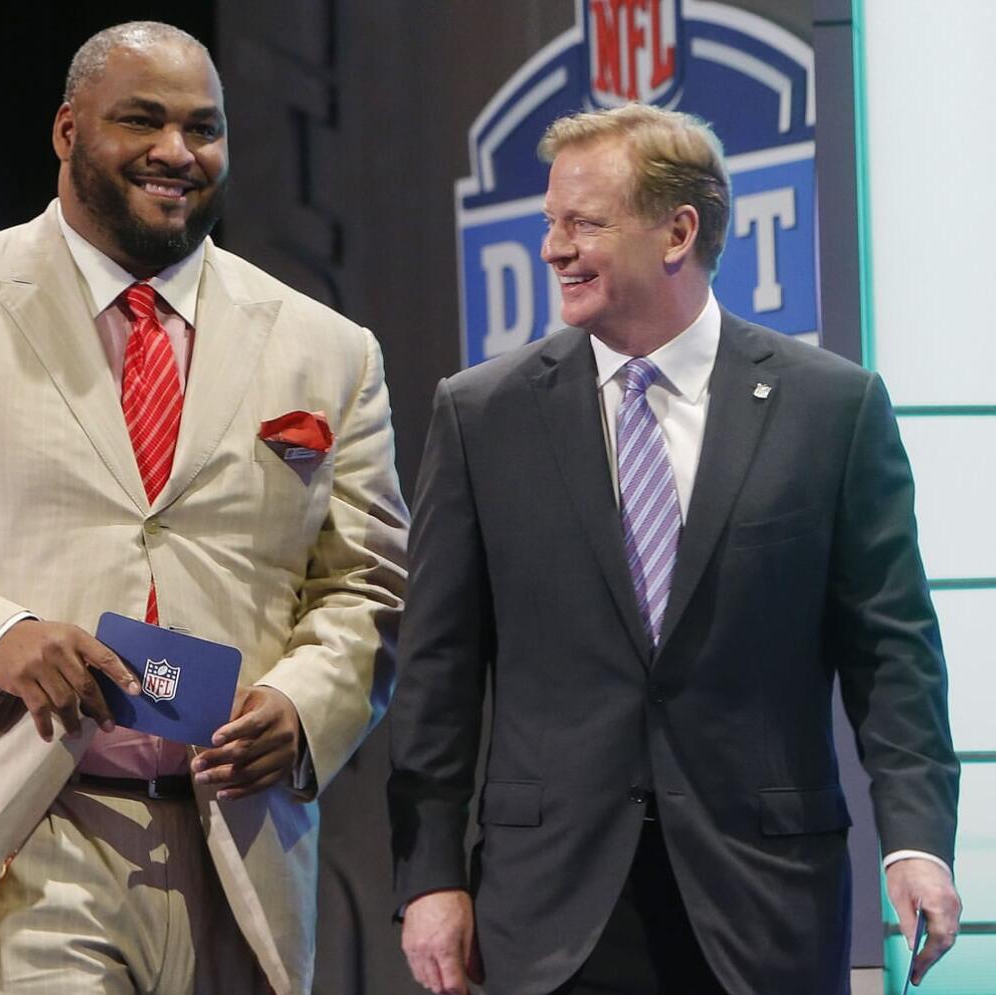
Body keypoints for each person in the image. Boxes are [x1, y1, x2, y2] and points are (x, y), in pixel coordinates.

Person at [0, 21, 407, 995]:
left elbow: (367, 586)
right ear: (66, 131)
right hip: (25, 826)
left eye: (202, 128)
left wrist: (303, 705)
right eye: (143, 120)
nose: (178, 151)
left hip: (236, 839)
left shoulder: (327, 348)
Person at [387, 103, 960, 995]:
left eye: (582, 223)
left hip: (763, 902)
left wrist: (917, 838)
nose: (553, 248)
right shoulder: (482, 415)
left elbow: (895, 653)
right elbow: (438, 673)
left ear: (677, 232)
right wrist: (429, 875)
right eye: (549, 223)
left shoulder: (831, 409)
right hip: (552, 910)